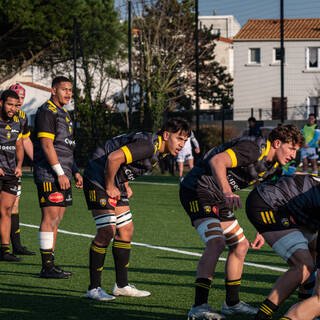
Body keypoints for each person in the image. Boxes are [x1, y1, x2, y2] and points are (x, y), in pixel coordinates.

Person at [179, 124, 305, 320]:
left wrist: (262, 229)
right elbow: (217, 161)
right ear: (278, 143)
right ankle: (198, 306)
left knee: (241, 245)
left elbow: (265, 197)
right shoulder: (254, 149)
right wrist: (227, 191)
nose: (293, 155)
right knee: (216, 242)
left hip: (216, 195)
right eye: (291, 148)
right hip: (197, 189)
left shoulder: (273, 166)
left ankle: (232, 303)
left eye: (296, 151)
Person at [83, 118, 190, 301]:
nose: (182, 144)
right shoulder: (149, 146)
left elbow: (125, 162)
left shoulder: (158, 149)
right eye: (179, 139)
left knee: (126, 230)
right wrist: (110, 186)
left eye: (185, 141)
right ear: (166, 135)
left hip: (114, 177)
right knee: (107, 231)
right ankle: (94, 288)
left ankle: (122, 286)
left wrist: (124, 183)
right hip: (98, 176)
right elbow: (113, 158)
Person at [245, 174, 320, 320]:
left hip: (293, 208)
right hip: (270, 205)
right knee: (303, 266)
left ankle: (304, 303)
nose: (293, 156)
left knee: (313, 250)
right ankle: (262, 316)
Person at [33, 76, 83, 279]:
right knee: (50, 217)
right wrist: (60, 173)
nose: (68, 93)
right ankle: (46, 266)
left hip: (64, 173)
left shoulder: (64, 113)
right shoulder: (47, 111)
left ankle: (51, 263)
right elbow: (47, 145)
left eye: (70, 90)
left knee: (58, 218)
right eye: (64, 89)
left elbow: (66, 147)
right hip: (49, 173)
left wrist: (76, 171)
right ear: (53, 90)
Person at [7, 83, 35, 255]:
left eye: (22, 99)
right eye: (16, 99)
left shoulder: (23, 117)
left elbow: (25, 141)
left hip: (12, 167)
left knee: (14, 204)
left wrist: (38, 161)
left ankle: (15, 245)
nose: (19, 102)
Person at [0, 90, 24, 262]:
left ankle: (5, 250)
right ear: (1, 103)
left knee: (6, 210)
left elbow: (19, 145)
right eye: (10, 104)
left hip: (10, 173)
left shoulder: (18, 122)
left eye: (16, 105)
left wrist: (19, 165)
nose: (13, 109)